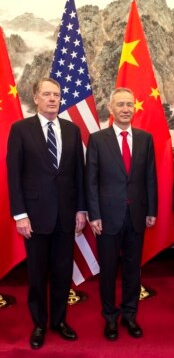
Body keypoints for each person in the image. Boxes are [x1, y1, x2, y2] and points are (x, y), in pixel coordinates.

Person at [6, 77, 86, 349]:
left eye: (57, 94)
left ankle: (59, 321)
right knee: (38, 275)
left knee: (63, 273)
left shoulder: (72, 130)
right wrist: (20, 215)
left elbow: (79, 174)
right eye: (47, 94)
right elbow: (13, 176)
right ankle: (40, 324)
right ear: (36, 98)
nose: (53, 99)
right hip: (35, 217)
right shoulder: (20, 130)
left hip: (66, 216)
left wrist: (81, 209)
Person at [85, 87, 157, 341]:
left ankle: (129, 315)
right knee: (107, 270)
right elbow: (90, 180)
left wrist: (151, 210)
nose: (126, 109)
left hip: (137, 215)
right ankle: (110, 317)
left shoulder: (145, 138)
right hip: (106, 217)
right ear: (111, 109)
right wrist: (94, 214)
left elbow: (150, 176)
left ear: (134, 108)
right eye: (121, 105)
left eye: (129, 104)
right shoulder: (97, 139)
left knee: (132, 269)